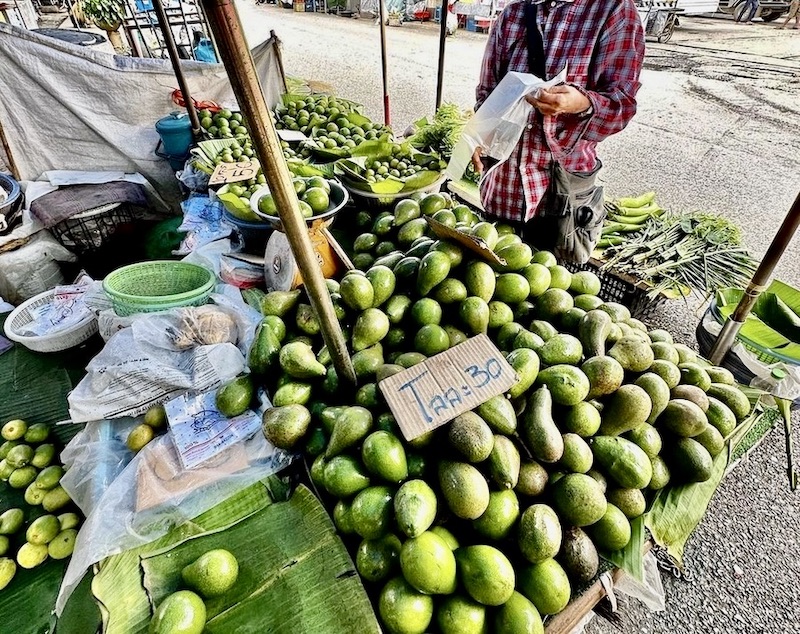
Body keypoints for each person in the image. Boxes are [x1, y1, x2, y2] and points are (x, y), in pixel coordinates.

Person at [471, 0, 645, 249]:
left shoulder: (613, 10)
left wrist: (581, 103)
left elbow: (621, 107)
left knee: (551, 283)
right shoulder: (513, 14)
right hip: (501, 191)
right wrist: (479, 134)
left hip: (559, 202)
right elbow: (487, 93)